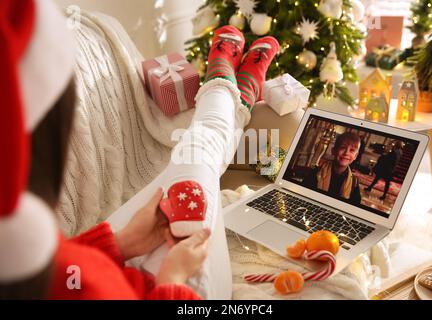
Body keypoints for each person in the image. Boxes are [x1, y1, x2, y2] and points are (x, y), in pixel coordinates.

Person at [0, 0, 279, 300]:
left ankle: (231, 95)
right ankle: (230, 93)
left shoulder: (20, 257)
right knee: (200, 156)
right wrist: (173, 279)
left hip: (116, 259)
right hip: (174, 291)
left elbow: (63, 274)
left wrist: (118, 242)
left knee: (194, 162)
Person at [303, 132, 362, 206]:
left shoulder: (354, 182)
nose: (346, 153)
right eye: (343, 148)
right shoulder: (316, 172)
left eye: (352, 150)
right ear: (333, 151)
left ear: (355, 156)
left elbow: (354, 207)